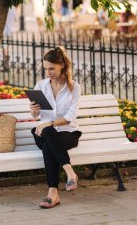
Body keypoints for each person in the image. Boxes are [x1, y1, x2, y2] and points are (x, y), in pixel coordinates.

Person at [30, 46, 82, 209]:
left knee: (48, 143)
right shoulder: (41, 85)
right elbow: (36, 117)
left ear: (62, 66)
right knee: (48, 134)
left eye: (51, 68)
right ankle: (69, 172)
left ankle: (52, 193)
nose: (48, 73)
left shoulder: (74, 87)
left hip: (68, 133)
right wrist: (34, 111)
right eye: (45, 69)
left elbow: (70, 116)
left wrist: (49, 123)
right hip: (44, 132)